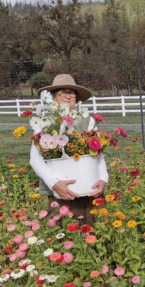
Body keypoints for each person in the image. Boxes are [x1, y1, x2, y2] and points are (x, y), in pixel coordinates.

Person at [29, 74, 108, 225]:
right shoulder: (44, 121)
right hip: (62, 190)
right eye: (61, 92)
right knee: (66, 232)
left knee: (97, 229)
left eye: (71, 92)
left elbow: (98, 152)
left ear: (76, 97)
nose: (67, 96)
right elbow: (35, 159)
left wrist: (103, 178)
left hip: (91, 187)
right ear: (52, 97)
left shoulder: (87, 120)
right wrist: (54, 184)